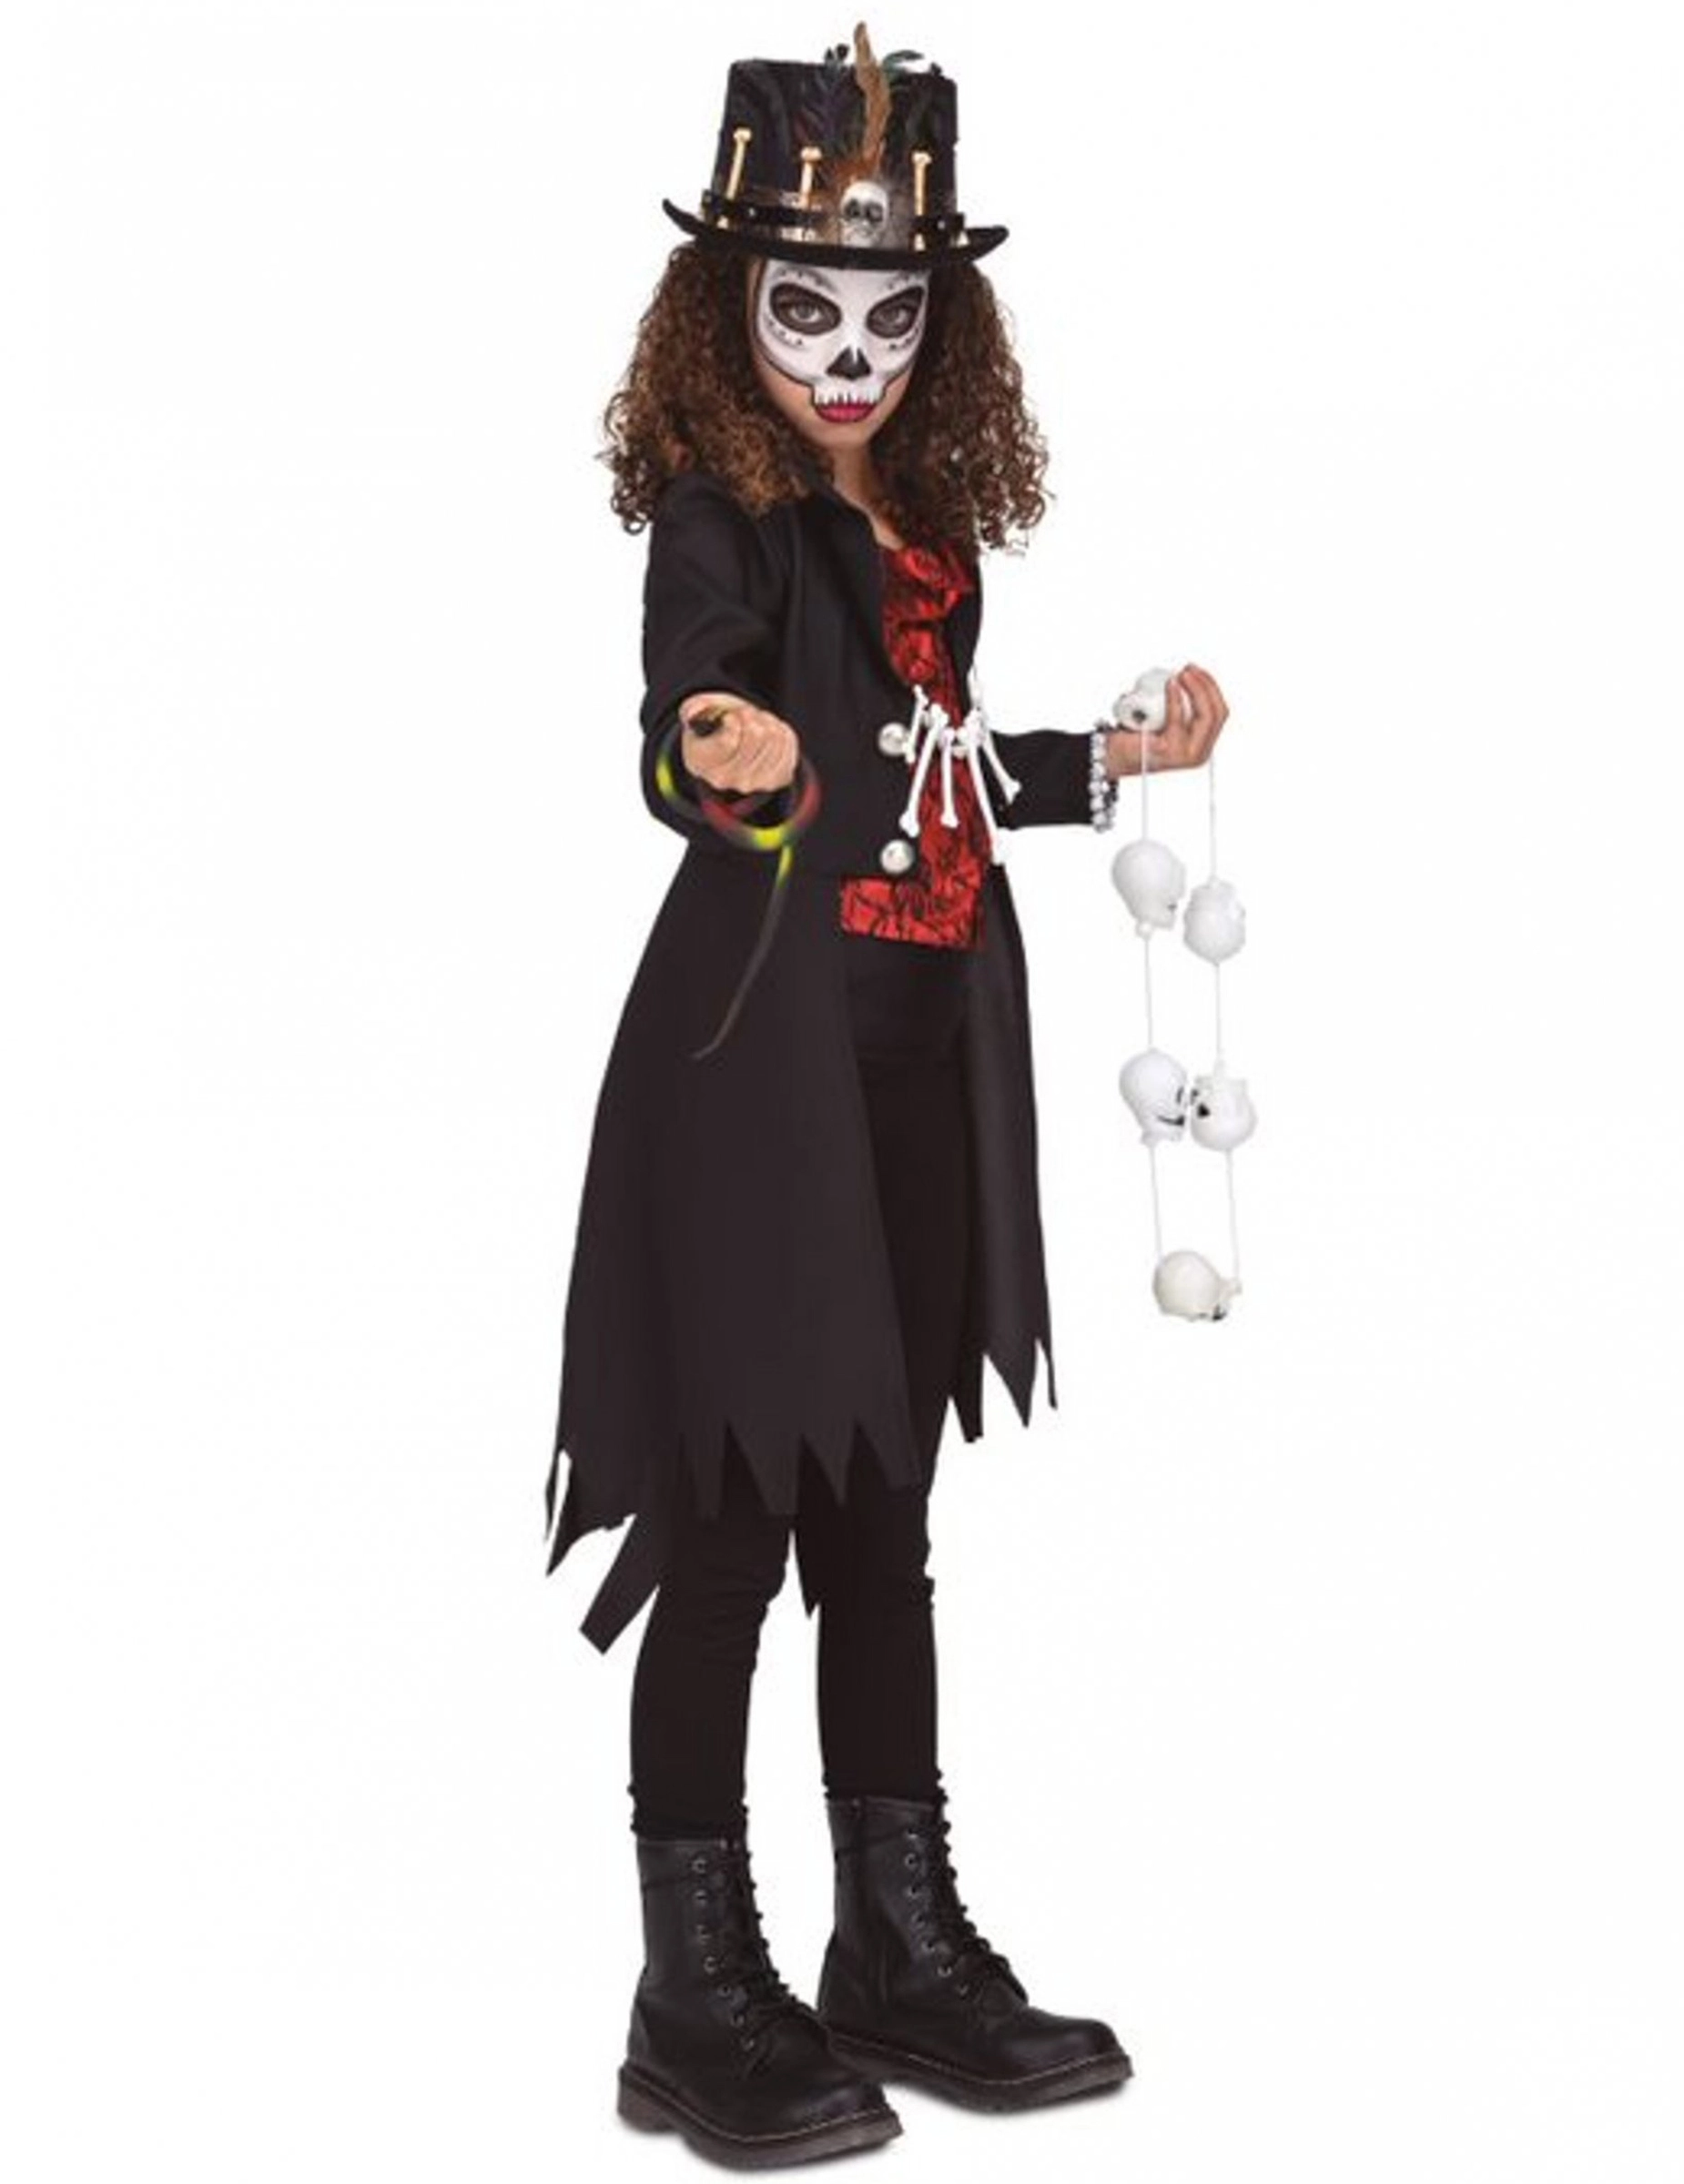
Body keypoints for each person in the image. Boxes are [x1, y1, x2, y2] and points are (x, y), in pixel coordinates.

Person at [543, 26, 1230, 2169]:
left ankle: (894, 1945)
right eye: (806, 310)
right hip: (762, 1070)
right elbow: (696, 712)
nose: (849, 356)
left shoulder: (923, 533)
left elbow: (927, 778)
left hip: (921, 1063)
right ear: (724, 312)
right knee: (732, 1519)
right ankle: (691, 1991)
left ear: (947, 328)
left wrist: (1108, 767)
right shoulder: (724, 520)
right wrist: (715, 751)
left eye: (891, 316)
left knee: (881, 1519)